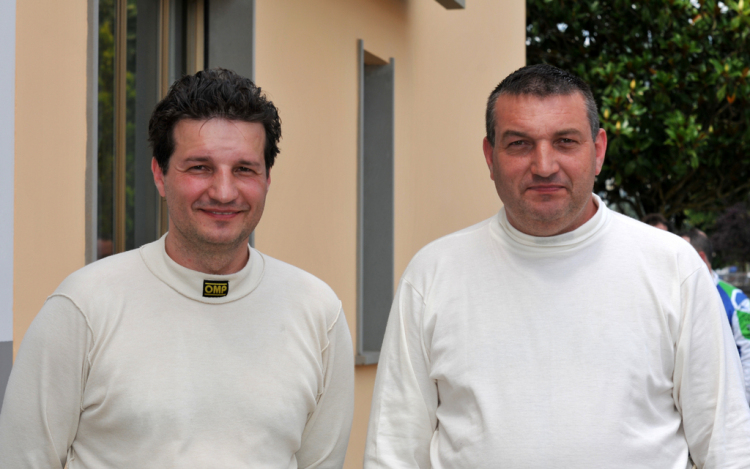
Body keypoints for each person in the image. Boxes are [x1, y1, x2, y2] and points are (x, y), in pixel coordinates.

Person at [364, 64, 750, 468]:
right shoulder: (432, 275)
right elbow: (393, 451)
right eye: (519, 144)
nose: (544, 165)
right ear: (490, 156)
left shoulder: (673, 268)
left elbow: (728, 447)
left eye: (565, 141)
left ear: (598, 150)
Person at [0, 69, 354, 468]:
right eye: (200, 167)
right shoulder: (84, 306)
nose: (223, 192)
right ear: (159, 175)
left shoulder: (318, 314)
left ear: (267, 179)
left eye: (244, 169)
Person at [682, 227, 750, 404]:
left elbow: (748, 355)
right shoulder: (674, 298)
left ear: (701, 257)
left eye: (680, 256)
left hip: (729, 405)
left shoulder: (736, 300)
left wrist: (742, 406)